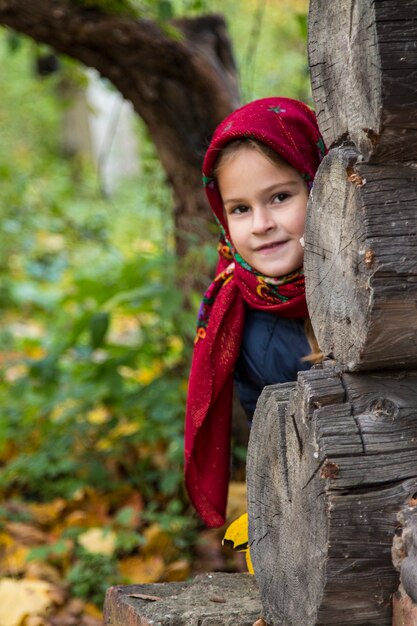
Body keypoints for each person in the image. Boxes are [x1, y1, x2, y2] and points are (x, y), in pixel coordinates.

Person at [184, 97, 326, 528]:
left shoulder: (379, 271)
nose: (261, 223)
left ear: (321, 184)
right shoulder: (243, 325)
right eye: (240, 209)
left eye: (280, 196)